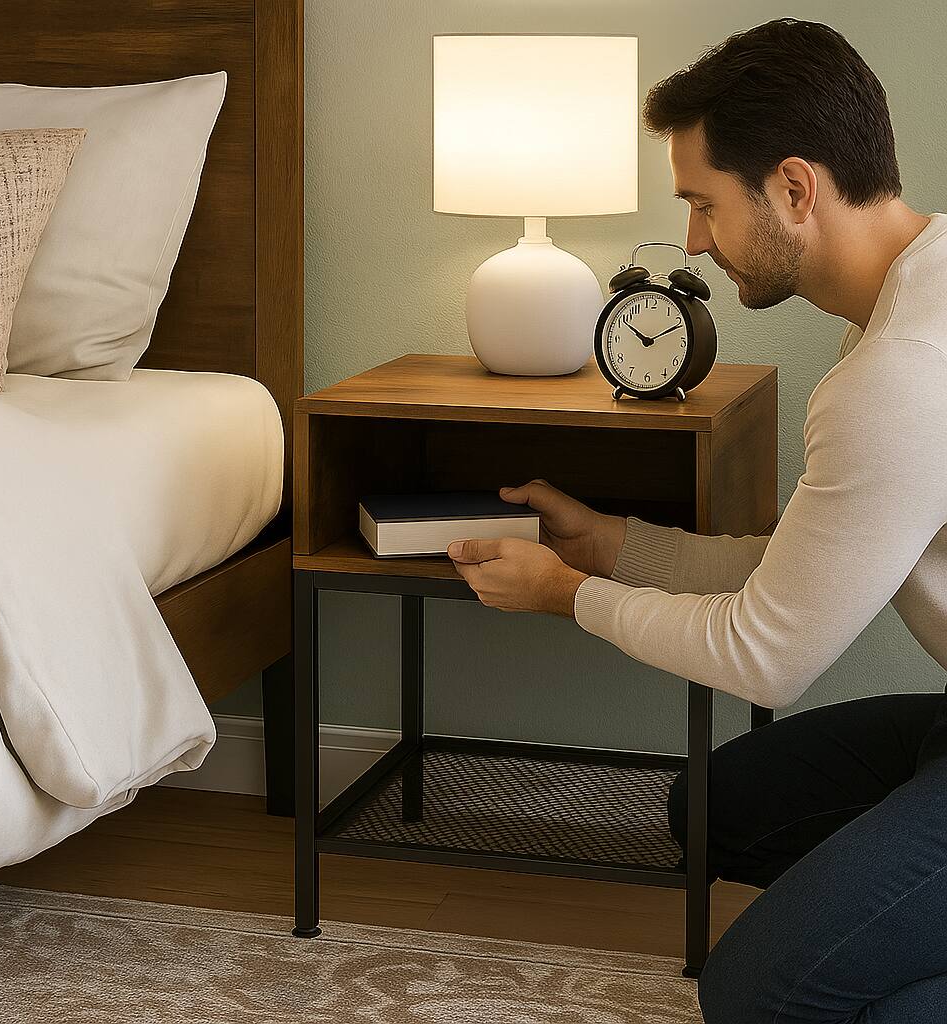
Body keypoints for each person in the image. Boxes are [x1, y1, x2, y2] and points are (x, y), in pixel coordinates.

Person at [446, 18, 947, 1024]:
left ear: (794, 189)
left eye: (703, 203)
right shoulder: (909, 304)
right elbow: (805, 567)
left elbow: (767, 654)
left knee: (760, 994)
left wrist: (568, 595)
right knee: (718, 809)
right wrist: (618, 547)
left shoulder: (901, 372)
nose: (692, 242)